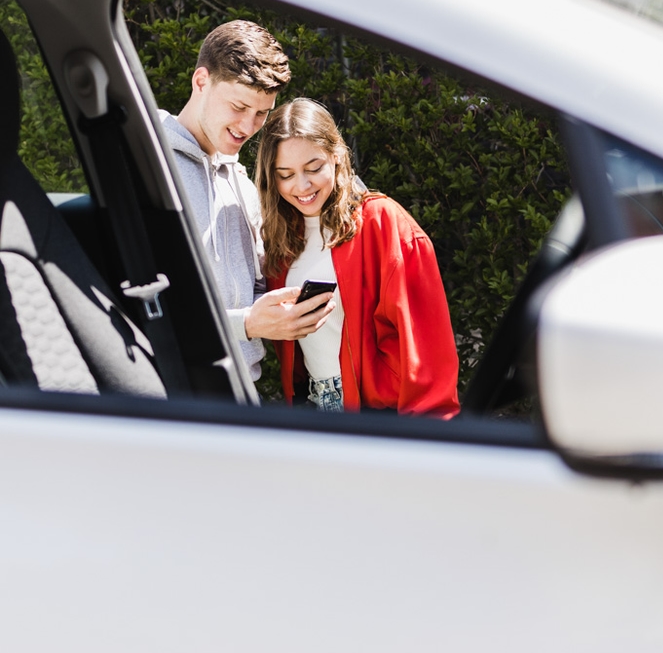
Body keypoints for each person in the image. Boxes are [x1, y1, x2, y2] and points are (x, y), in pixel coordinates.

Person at [256, 97, 460, 418]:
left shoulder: (381, 222)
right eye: (285, 174)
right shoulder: (281, 237)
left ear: (336, 156)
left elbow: (427, 342)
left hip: (379, 413)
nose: (302, 185)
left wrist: (430, 429)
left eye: (314, 168)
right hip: (314, 404)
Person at [161, 21, 335, 385]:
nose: (248, 125)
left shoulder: (242, 185)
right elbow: (144, 309)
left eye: (261, 113)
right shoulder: (152, 168)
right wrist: (247, 324)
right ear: (200, 81)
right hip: (176, 392)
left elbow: (253, 291)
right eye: (239, 106)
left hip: (241, 392)